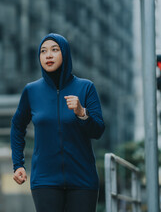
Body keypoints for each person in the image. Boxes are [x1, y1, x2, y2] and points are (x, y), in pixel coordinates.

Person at [11, 33, 105, 212]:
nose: (48, 55)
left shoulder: (86, 88)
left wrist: (81, 113)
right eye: (43, 51)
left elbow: (98, 130)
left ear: (65, 54)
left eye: (55, 50)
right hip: (45, 181)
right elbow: (17, 126)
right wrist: (18, 164)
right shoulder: (32, 91)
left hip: (83, 180)